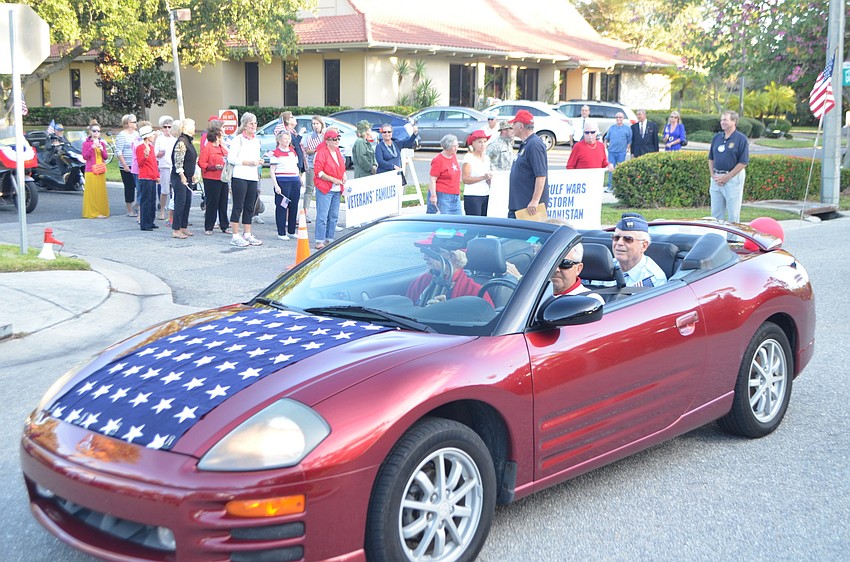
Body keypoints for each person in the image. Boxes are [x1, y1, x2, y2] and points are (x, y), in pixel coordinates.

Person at [405, 231, 489, 306]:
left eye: (434, 251)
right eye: (426, 250)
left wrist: (446, 312)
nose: (425, 257)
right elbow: (406, 312)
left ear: (452, 257)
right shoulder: (422, 281)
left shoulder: (474, 292)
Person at [227, 112, 263, 247]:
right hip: (239, 176)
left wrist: (258, 161)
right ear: (245, 125)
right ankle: (235, 235)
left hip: (252, 177)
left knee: (249, 206)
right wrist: (248, 162)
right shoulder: (238, 139)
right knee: (238, 206)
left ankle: (247, 233)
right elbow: (231, 158)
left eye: (255, 123)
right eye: (251, 123)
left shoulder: (256, 140)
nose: (254, 126)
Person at [603, 213, 667, 287]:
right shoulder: (605, 267)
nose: (619, 243)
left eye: (628, 239)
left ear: (644, 246)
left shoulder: (654, 280)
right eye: (616, 238)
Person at [708, 110, 749, 224]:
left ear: (734, 121)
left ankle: (732, 240)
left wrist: (727, 177)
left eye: (725, 120)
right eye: (721, 120)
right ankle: (718, 239)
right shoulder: (717, 138)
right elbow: (711, 158)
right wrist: (713, 175)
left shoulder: (741, 139)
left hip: (733, 179)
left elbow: (743, 162)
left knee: (733, 215)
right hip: (716, 178)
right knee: (715, 215)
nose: (722, 122)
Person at [508, 109, 549, 218]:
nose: (512, 126)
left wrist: (535, 201)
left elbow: (540, 175)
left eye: (514, 124)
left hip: (528, 209)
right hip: (519, 206)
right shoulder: (527, 144)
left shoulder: (534, 145)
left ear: (521, 126)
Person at [313, 128, 347, 249]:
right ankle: (319, 240)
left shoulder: (338, 152)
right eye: (334, 139)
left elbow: (341, 167)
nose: (336, 141)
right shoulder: (322, 152)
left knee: (333, 215)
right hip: (325, 188)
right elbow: (319, 172)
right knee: (322, 215)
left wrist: (343, 175)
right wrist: (332, 179)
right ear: (327, 141)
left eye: (338, 138)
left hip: (337, 188)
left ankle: (329, 238)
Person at [269, 129, 302, 241]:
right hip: (282, 181)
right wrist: (276, 185)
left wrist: (299, 177)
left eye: (288, 138)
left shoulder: (293, 151)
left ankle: (291, 230)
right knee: (282, 206)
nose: (287, 140)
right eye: (284, 138)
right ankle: (281, 232)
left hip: (294, 181)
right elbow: (272, 170)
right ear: (279, 139)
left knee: (294, 206)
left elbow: (296, 166)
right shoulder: (275, 153)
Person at [198, 124, 230, 235]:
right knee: (212, 203)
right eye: (221, 134)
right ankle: (209, 226)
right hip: (211, 178)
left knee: (223, 202)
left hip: (222, 178)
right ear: (216, 136)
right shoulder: (208, 148)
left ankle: (224, 225)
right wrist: (213, 166)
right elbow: (201, 163)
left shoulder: (222, 147)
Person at [170, 119, 199, 240]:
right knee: (180, 202)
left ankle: (183, 226)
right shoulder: (181, 142)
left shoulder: (189, 141)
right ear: (186, 128)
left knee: (187, 202)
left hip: (188, 176)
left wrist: (192, 174)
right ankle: (176, 229)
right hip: (180, 177)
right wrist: (182, 176)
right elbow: (178, 161)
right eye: (193, 125)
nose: (194, 127)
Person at [81, 120, 109, 219]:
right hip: (91, 170)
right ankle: (93, 212)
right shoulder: (86, 144)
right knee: (92, 192)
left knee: (100, 192)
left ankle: (101, 210)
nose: (96, 133)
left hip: (100, 169)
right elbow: (85, 156)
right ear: (90, 132)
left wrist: (101, 149)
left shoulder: (102, 143)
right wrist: (92, 147)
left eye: (98, 131)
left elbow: (105, 157)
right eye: (94, 131)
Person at [428, 134, 462, 214]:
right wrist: (433, 196)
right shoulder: (438, 160)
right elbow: (432, 179)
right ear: (447, 146)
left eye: (457, 145)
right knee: (445, 221)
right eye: (454, 146)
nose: (456, 148)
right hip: (443, 195)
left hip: (455, 195)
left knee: (459, 220)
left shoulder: (453, 156)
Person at [300, 115, 326, 223]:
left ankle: (322, 213)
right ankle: (305, 213)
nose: (315, 126)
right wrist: (316, 149)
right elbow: (307, 150)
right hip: (311, 165)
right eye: (313, 124)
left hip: (323, 166)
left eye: (317, 124)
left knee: (322, 190)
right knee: (309, 189)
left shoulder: (325, 136)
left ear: (321, 124)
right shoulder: (309, 137)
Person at [461, 130, 492, 216]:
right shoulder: (469, 157)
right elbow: (465, 179)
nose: (483, 144)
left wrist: (489, 179)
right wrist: (482, 177)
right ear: (473, 143)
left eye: (485, 142)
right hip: (473, 195)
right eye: (479, 142)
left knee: (484, 222)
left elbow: (487, 176)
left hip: (486, 193)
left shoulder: (487, 158)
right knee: (475, 223)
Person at [135, 125, 160, 232]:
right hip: (145, 177)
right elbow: (140, 163)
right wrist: (145, 155)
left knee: (152, 200)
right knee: (146, 201)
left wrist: (157, 175)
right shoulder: (140, 148)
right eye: (152, 135)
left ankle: (151, 221)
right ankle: (145, 223)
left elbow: (154, 163)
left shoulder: (151, 147)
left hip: (152, 176)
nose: (153, 136)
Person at [114, 113, 139, 217]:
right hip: (127, 164)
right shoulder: (122, 135)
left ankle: (137, 205)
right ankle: (129, 209)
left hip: (136, 164)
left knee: (138, 186)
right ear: (128, 123)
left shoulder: (137, 134)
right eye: (134, 122)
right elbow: (118, 151)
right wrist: (124, 165)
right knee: (129, 187)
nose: (136, 123)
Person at [154, 115, 176, 221]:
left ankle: (173, 210)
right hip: (164, 166)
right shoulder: (159, 139)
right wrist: (159, 154)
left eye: (169, 127)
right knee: (165, 190)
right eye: (165, 127)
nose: (167, 129)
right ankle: (162, 209)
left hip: (174, 166)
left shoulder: (174, 139)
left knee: (175, 189)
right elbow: (155, 153)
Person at [604, 112, 632, 192]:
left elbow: (629, 140)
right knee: (611, 169)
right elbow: (606, 138)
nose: (618, 119)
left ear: (623, 118)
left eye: (620, 117)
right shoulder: (612, 128)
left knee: (620, 169)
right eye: (617, 117)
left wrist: (627, 148)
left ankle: (620, 187)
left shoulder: (627, 129)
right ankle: (610, 186)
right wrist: (605, 145)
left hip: (621, 152)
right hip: (612, 152)